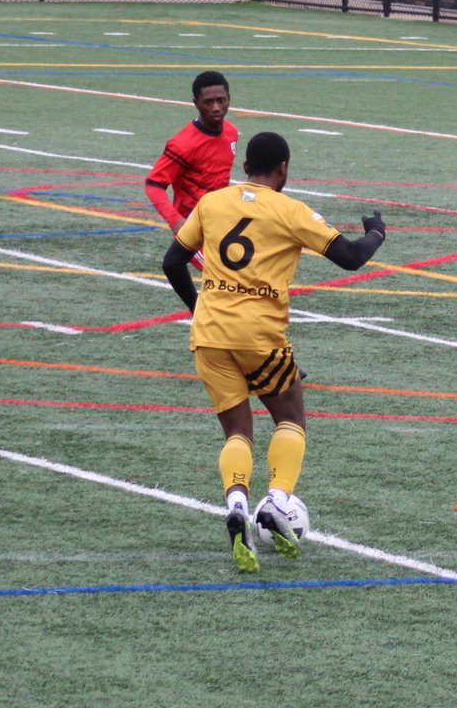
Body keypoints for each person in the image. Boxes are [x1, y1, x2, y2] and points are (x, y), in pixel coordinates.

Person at [163, 131, 387, 573]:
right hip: (260, 336)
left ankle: (236, 503)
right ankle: (277, 500)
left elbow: (172, 262)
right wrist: (376, 231)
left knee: (237, 433)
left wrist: (201, 310)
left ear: (244, 167)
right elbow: (350, 257)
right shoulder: (291, 211)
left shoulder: (212, 202)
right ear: (283, 168)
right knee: (290, 418)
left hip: (209, 336)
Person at [145, 70, 239, 269]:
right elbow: (153, 184)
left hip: (221, 223)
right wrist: (176, 221)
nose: (216, 107)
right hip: (193, 228)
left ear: (229, 99)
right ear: (195, 103)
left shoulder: (231, 132)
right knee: (224, 273)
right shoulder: (183, 144)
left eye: (221, 100)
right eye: (208, 102)